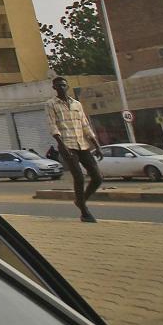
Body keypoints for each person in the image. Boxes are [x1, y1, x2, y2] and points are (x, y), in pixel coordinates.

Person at [45, 76, 102, 222]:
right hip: (67, 144)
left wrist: (96, 144)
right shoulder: (51, 104)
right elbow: (52, 125)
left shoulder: (77, 104)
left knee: (97, 177)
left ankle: (80, 201)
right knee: (78, 177)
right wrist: (62, 145)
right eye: (58, 86)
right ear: (54, 88)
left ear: (67, 86)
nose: (61, 88)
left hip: (83, 144)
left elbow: (85, 124)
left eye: (63, 85)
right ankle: (84, 212)